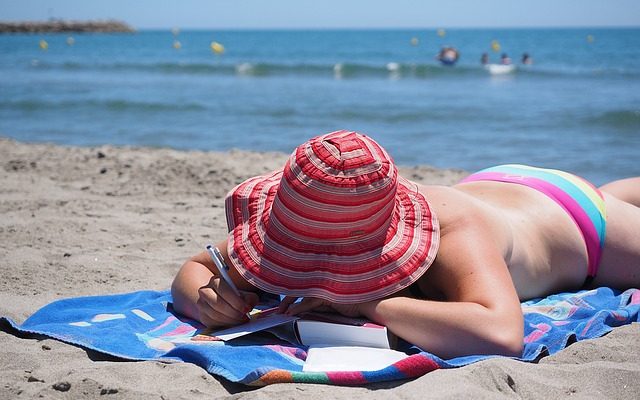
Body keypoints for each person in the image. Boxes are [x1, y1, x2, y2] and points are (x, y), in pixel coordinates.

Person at [171, 130, 640, 359]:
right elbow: (196, 267)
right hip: (497, 186)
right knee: (617, 191)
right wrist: (207, 299)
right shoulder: (310, 214)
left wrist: (365, 304)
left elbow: (501, 334)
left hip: (577, 223)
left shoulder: (453, 231)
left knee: (606, 202)